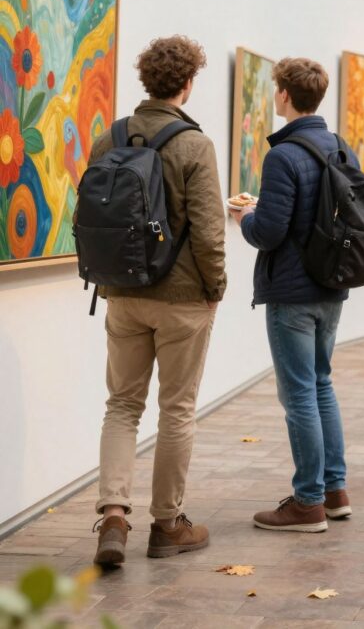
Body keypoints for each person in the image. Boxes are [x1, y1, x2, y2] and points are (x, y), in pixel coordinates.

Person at [89, 36, 226, 566]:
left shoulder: (109, 137)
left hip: (122, 292)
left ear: (148, 81)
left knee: (121, 406)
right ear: (188, 84)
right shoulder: (194, 145)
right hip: (182, 298)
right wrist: (215, 290)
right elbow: (211, 233)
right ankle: (167, 524)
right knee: (177, 409)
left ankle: (114, 516)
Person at [230, 58, 354, 532]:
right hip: (332, 286)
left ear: (283, 95)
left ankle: (307, 503)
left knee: (299, 392)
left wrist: (245, 218)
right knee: (321, 383)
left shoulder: (282, 155)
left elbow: (270, 233)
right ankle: (334, 490)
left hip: (293, 291)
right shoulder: (341, 148)